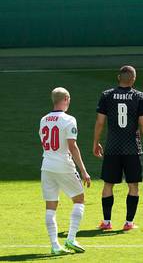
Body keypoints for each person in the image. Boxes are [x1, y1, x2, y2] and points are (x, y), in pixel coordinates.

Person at [94, 65, 143, 231]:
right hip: (132, 148)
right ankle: (129, 223)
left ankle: (106, 222)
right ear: (133, 79)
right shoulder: (139, 97)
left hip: (112, 147)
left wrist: (95, 142)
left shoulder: (107, 95)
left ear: (118, 77)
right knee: (133, 185)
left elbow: (100, 122)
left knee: (108, 185)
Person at [39, 87, 91, 255]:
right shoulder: (69, 119)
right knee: (79, 199)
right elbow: (72, 146)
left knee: (50, 206)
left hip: (46, 166)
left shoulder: (43, 120)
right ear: (66, 99)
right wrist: (83, 171)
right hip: (64, 165)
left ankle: (55, 246)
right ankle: (70, 238)